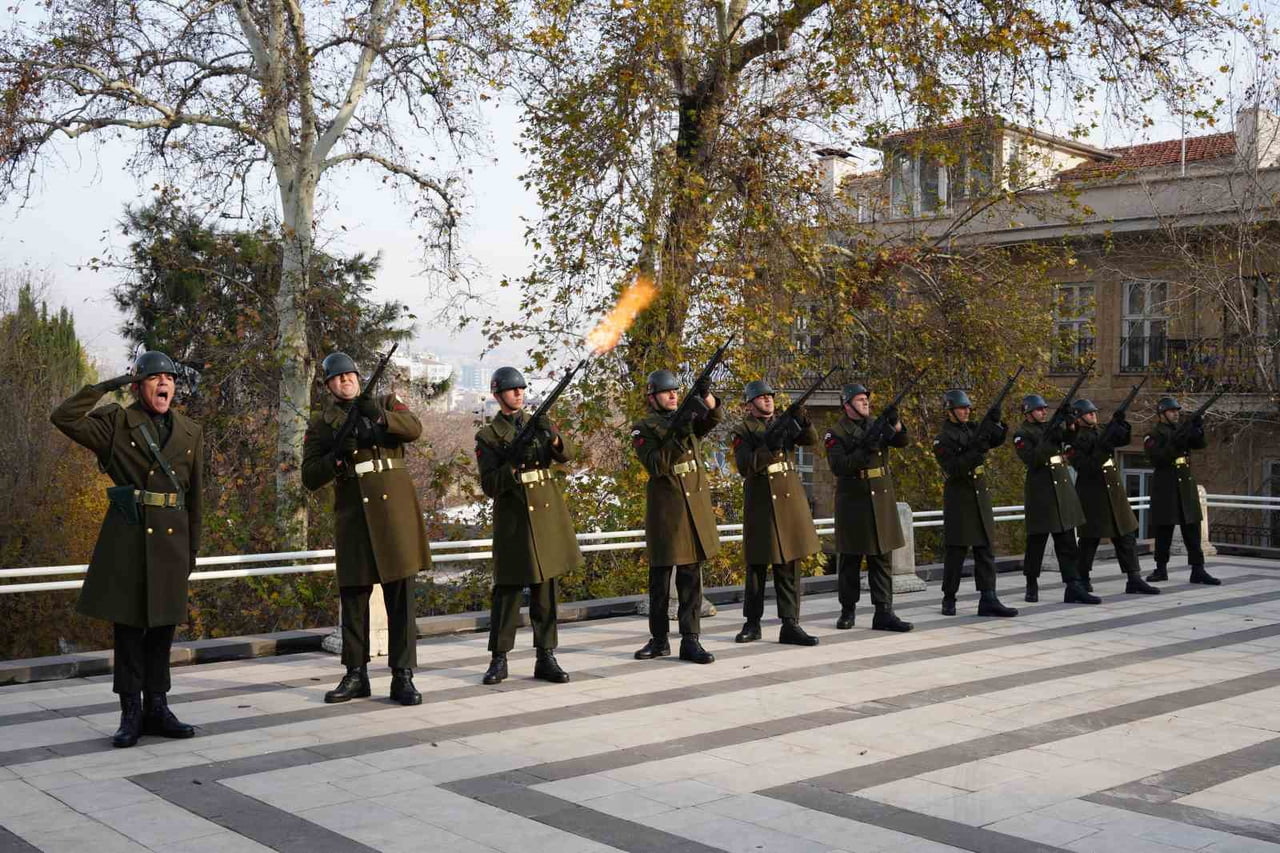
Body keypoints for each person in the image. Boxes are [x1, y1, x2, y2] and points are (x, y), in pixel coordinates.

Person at [51, 351, 202, 747]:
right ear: (138, 387)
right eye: (154, 378)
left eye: (169, 377)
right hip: (130, 539)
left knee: (163, 630)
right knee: (130, 632)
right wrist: (108, 386)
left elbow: (197, 497)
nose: (164, 383)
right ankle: (130, 712)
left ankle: (158, 706)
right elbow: (64, 417)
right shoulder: (117, 424)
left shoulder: (190, 431)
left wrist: (192, 551)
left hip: (172, 541)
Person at [302, 352, 431, 706]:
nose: (345, 381)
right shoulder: (323, 423)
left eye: (350, 376)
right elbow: (310, 475)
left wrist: (379, 416)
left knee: (401, 598)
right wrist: (337, 459)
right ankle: (356, 673)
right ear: (328, 385)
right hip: (355, 514)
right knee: (355, 597)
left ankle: (402, 675)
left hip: (396, 513)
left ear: (359, 379)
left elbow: (414, 429)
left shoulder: (387, 402)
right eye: (338, 378)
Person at [474, 366, 581, 684]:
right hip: (514, 515)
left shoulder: (540, 423)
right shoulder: (488, 436)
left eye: (521, 388)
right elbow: (491, 484)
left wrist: (555, 437)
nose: (518, 393)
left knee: (545, 590)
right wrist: (513, 463)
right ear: (498, 395)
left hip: (546, 513)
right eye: (511, 389)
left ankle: (546, 656)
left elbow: (567, 454)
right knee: (506, 590)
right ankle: (499, 658)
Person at [629, 369, 719, 664]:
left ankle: (691, 640)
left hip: (693, 506)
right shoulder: (644, 427)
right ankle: (659, 639)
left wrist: (706, 395)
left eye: (675, 391)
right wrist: (678, 434)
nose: (673, 395)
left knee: (691, 577)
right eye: (667, 392)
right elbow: (656, 465)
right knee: (661, 578)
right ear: (652, 396)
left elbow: (712, 418)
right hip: (667, 511)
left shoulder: (687, 420)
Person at [730, 380, 822, 646]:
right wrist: (769, 448)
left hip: (788, 497)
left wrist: (802, 419)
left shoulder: (784, 422)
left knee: (789, 564)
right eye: (761, 397)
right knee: (757, 564)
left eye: (770, 396)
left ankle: (790, 623)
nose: (768, 400)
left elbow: (810, 440)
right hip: (761, 500)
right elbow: (746, 466)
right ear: (750, 404)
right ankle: (752, 623)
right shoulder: (743, 430)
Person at [823, 383, 913, 631]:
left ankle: (884, 611)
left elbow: (902, 441)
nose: (865, 403)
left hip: (881, 496)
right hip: (854, 499)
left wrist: (895, 423)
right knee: (851, 559)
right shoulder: (836, 433)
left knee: (882, 558)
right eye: (860, 399)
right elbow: (840, 466)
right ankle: (847, 610)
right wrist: (865, 450)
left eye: (866, 399)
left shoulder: (876, 424)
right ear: (847, 404)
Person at [931, 389, 1018, 617]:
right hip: (960, 497)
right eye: (962, 408)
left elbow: (996, 440)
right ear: (950, 411)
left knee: (986, 549)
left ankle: (988, 597)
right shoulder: (943, 438)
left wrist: (996, 421)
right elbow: (954, 468)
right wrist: (976, 451)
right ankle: (949, 597)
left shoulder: (973, 428)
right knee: (957, 551)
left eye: (968, 408)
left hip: (979, 494)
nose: (967, 411)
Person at [1066, 398, 1160, 594]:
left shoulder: (1099, 430)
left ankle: (1134, 577)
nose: (1093, 415)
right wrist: (1104, 447)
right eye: (1089, 413)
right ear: (1079, 417)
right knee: (1089, 539)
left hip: (1113, 491)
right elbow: (1087, 467)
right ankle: (1082, 578)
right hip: (1093, 493)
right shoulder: (1073, 440)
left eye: (1094, 412)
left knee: (1126, 535)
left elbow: (1122, 440)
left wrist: (1120, 423)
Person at [1012, 394, 1099, 605]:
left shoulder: (1049, 428)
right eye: (1039, 409)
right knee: (1036, 543)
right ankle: (1031, 584)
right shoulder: (1022, 434)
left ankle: (1073, 586)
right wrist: (1049, 436)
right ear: (1028, 412)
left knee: (1067, 543)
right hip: (1041, 493)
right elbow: (1033, 460)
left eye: (1045, 409)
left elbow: (1070, 439)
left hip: (1061, 491)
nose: (1043, 412)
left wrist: (1070, 423)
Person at [1144, 396, 1219, 584]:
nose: (1176, 414)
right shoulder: (1153, 434)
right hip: (1166, 484)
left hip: (1185, 482)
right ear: (1162, 414)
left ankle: (1198, 569)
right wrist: (1174, 444)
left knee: (1192, 527)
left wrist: (1197, 428)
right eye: (1171, 411)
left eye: (1177, 411)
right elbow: (1157, 459)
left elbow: (1199, 444)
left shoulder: (1181, 429)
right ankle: (1160, 568)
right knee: (1164, 529)